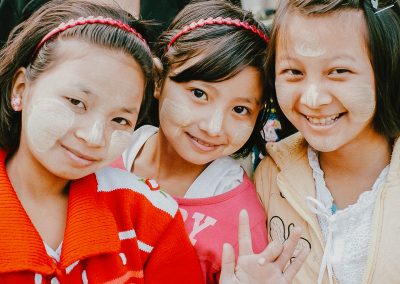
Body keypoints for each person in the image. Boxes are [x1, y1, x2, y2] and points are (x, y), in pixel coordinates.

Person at [0, 0, 205, 282]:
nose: (93, 137)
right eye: (76, 102)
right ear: (21, 89)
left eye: (120, 120)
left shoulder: (151, 218)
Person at [114, 0, 309, 282]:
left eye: (239, 110)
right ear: (157, 80)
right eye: (199, 94)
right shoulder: (102, 156)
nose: (213, 127)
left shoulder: (242, 222)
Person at [255, 0, 400, 283]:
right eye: (294, 72)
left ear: (386, 70)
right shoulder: (270, 178)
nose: (313, 99)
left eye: (338, 72)